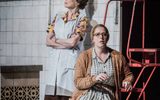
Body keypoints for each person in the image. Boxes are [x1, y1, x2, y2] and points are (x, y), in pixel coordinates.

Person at [71, 24, 134, 100]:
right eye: (97, 34)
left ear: (107, 38)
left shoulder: (117, 57)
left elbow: (128, 75)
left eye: (104, 34)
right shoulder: (84, 56)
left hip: (107, 94)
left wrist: (127, 81)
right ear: (92, 38)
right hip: (87, 93)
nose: (101, 37)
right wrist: (95, 79)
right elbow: (78, 82)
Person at [45, 0, 89, 100]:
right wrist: (66, 43)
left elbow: (73, 42)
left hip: (68, 69)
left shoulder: (82, 20)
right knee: (51, 96)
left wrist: (55, 40)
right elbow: (47, 41)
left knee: (66, 96)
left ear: (78, 2)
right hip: (54, 68)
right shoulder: (57, 17)